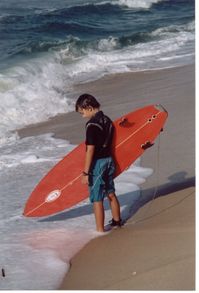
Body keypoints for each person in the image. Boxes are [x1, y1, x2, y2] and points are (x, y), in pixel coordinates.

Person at [75, 93, 121, 232]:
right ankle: (117, 222)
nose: (83, 116)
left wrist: (85, 172)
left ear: (88, 107)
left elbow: (90, 150)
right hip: (109, 161)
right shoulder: (108, 121)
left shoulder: (91, 125)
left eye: (82, 112)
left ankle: (100, 231)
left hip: (98, 165)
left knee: (97, 198)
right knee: (110, 193)